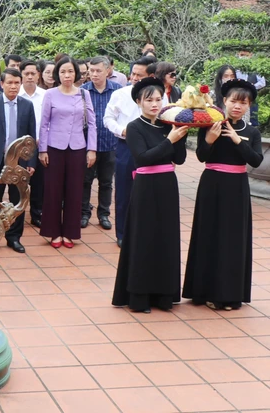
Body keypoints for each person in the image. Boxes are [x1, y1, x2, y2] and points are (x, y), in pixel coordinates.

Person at [183, 79, 263, 311]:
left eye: (243, 102)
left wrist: (238, 141)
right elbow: (201, 156)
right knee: (208, 234)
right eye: (233, 101)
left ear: (248, 106)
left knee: (232, 240)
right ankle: (203, 291)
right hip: (212, 185)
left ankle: (230, 294)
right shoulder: (210, 124)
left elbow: (256, 161)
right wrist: (209, 140)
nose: (237, 106)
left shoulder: (251, 132)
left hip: (237, 187)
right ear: (224, 101)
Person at [111, 77, 189, 313]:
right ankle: (140, 296)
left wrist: (179, 138)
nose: (155, 104)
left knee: (166, 237)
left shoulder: (168, 125)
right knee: (143, 238)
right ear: (139, 102)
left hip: (167, 184)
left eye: (158, 99)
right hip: (145, 185)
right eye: (149, 100)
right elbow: (143, 157)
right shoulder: (134, 127)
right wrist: (170, 140)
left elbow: (180, 159)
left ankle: (165, 296)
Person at [38, 56, 96, 249]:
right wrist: (43, 149)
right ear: (57, 74)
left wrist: (91, 149)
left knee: (74, 190)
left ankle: (70, 233)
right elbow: (44, 124)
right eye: (63, 72)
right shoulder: (51, 94)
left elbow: (92, 124)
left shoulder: (83, 94)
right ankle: (53, 232)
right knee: (53, 190)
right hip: (54, 147)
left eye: (70, 71)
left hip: (78, 148)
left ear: (76, 73)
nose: (67, 75)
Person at [0, 68, 37, 253]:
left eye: (16, 83)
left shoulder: (27, 106)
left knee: (17, 199)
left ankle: (14, 237)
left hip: (18, 162)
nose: (13, 86)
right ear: (1, 84)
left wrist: (31, 163)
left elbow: (31, 138)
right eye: (9, 83)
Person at [104, 56, 157, 246]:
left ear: (151, 76)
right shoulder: (120, 94)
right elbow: (108, 118)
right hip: (126, 147)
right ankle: (122, 234)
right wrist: (121, 130)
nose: (134, 78)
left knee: (149, 191)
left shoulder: (161, 95)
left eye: (139, 75)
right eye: (132, 73)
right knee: (124, 191)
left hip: (153, 148)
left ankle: (145, 233)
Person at [80, 57, 122, 230]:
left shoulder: (118, 91)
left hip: (110, 143)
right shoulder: (82, 91)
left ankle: (104, 214)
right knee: (85, 180)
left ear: (107, 71)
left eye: (98, 70)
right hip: (87, 144)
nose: (94, 74)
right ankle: (83, 213)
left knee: (106, 182)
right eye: (92, 70)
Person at [19, 60, 46, 228]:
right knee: (19, 180)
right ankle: (16, 214)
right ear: (21, 75)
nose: (29, 77)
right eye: (26, 74)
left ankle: (36, 213)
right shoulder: (15, 93)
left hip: (40, 143)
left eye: (33, 74)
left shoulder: (46, 95)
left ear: (38, 75)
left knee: (39, 182)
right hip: (20, 145)